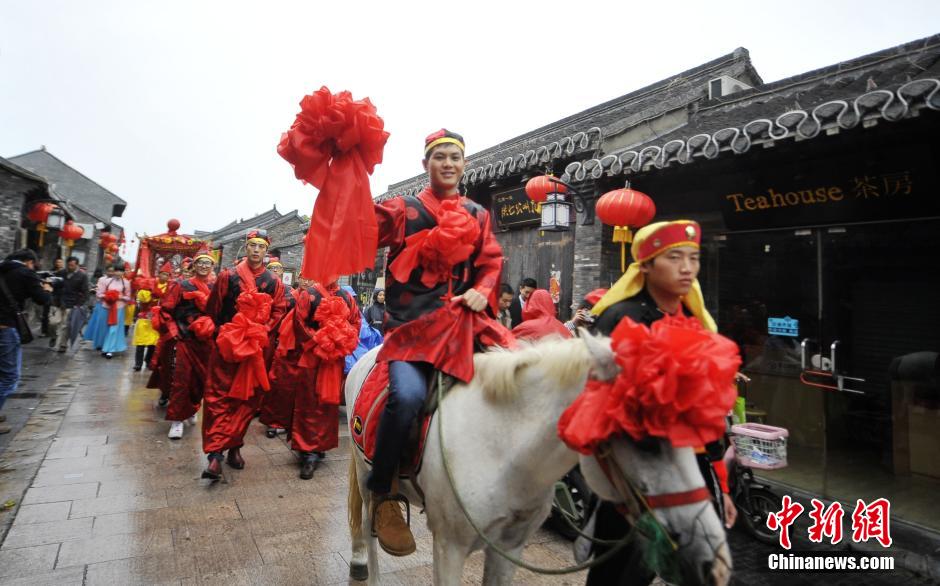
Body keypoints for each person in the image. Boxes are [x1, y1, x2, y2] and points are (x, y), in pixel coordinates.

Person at [365, 129, 506, 556]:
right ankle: (384, 489)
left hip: (466, 326)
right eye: (439, 157)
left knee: (520, 383)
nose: (447, 163)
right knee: (406, 397)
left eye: (455, 157)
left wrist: (484, 287)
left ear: (465, 165)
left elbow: (491, 262)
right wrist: (348, 174)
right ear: (426, 164)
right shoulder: (404, 210)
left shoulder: (478, 213)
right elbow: (365, 223)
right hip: (411, 332)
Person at [586, 220, 737, 585]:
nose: (687, 268)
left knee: (685, 564)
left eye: (693, 258)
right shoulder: (622, 318)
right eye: (674, 257)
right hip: (642, 468)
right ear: (647, 265)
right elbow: (604, 406)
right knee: (621, 567)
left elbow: (703, 410)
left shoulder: (693, 320)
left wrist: (721, 484)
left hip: (692, 464)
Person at [201, 229, 286, 479]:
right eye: (252, 245)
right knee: (218, 397)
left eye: (261, 246)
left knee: (247, 401)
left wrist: (262, 331)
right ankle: (215, 454)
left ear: (266, 250)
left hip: (255, 350)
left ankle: (235, 446)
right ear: (246, 248)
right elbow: (213, 309)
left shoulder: (274, 282)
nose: (256, 250)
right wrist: (220, 335)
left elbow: (279, 312)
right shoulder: (229, 276)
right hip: (227, 347)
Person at [266, 280, 359, 478]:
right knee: (308, 401)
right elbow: (299, 323)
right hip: (311, 356)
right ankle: (307, 451)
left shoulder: (347, 296)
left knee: (328, 404)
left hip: (333, 358)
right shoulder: (309, 294)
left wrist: (340, 340)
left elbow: (354, 323)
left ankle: (320, 444)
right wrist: (320, 340)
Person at [160, 249, 216, 439]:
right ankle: (176, 421)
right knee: (181, 379)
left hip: (206, 342)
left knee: (201, 380)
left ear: (212, 266)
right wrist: (175, 332)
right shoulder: (182, 285)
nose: (203, 266)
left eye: (207, 263)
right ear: (194, 265)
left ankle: (192, 408)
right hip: (185, 338)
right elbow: (166, 311)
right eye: (200, 262)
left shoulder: (216, 287)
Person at [0, 249, 53, 434]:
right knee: (9, 376)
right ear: (29, 262)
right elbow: (43, 299)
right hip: (6, 327)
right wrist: (47, 289)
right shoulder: (25, 273)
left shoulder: (3, 269)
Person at [260, 256, 294, 438]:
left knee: (277, 379)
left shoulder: (291, 292)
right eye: (271, 268)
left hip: (284, 341)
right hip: (265, 335)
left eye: (277, 268)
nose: (274, 271)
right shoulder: (265, 287)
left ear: (282, 272)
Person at [146, 262, 177, 406]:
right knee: (167, 364)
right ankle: (165, 392)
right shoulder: (176, 286)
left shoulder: (206, 286)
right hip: (173, 329)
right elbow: (167, 308)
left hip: (192, 332)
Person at [51, 256, 89, 352]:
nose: (70, 267)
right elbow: (55, 286)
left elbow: (85, 292)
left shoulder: (82, 275)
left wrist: (79, 304)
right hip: (58, 302)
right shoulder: (61, 273)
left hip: (72, 303)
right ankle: (53, 336)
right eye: (68, 265)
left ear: (77, 265)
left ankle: (63, 345)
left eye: (72, 265)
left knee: (66, 325)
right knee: (52, 322)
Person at [97, 264, 132, 359]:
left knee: (114, 329)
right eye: (117, 271)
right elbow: (99, 294)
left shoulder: (126, 283)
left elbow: (128, 297)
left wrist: (119, 297)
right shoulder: (107, 281)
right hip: (106, 307)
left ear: (123, 272)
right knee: (105, 328)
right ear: (114, 271)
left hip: (118, 308)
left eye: (121, 271)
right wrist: (108, 296)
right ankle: (104, 347)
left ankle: (110, 350)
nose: (118, 273)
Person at [131, 282, 159, 371]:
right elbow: (145, 299)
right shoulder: (142, 293)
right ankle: (138, 363)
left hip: (154, 321)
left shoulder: (162, 289)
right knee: (140, 343)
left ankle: (148, 361)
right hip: (143, 320)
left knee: (152, 344)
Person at [41, 258, 64, 339]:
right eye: (57, 262)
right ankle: (44, 331)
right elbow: (45, 281)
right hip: (49, 295)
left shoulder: (64, 273)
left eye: (60, 262)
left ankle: (54, 333)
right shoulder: (51, 272)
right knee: (45, 314)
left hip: (59, 297)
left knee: (56, 318)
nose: (59, 263)